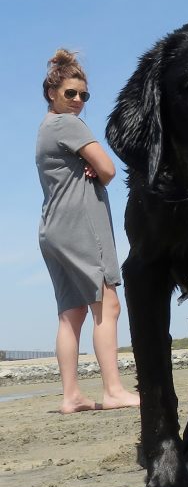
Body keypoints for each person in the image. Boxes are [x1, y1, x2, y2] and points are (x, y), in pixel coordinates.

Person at [36, 49, 139, 413]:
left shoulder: (45, 128)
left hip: (51, 228)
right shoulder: (68, 124)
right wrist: (95, 167)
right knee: (106, 305)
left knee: (71, 313)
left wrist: (87, 165)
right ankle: (113, 390)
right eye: (70, 93)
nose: (78, 101)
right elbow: (108, 170)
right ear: (52, 93)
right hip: (80, 224)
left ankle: (71, 396)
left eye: (83, 95)